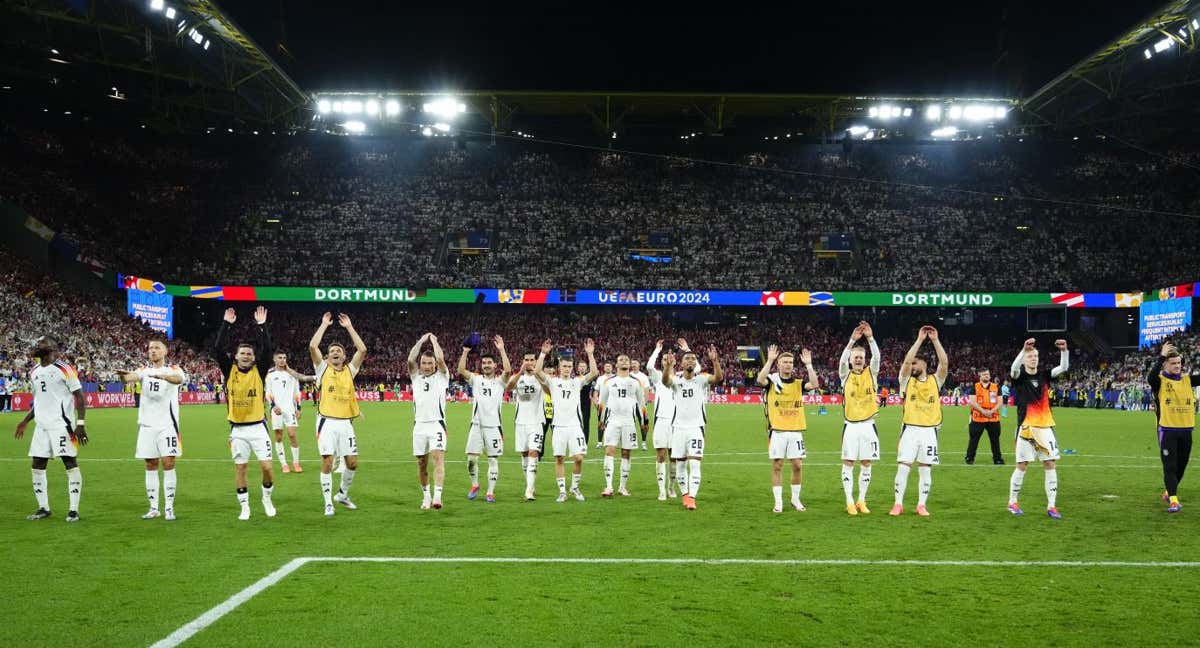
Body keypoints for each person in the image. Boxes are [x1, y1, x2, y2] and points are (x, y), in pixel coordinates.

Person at [211, 307, 278, 520]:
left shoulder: (260, 370)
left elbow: (268, 349)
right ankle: (245, 507)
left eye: (249, 353)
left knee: (267, 468)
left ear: (253, 357)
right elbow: (217, 348)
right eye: (243, 353)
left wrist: (262, 326)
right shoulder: (229, 370)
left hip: (258, 427)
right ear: (236, 356)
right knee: (241, 469)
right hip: (237, 429)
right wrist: (226, 324)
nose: (246, 356)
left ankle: (266, 498)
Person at [14, 338, 86, 522]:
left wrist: (80, 424)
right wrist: (25, 421)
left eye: (41, 343)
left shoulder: (65, 369)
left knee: (70, 463)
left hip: (62, 426)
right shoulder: (34, 371)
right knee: (37, 465)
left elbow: (79, 395)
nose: (36, 345)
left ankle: (73, 510)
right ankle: (44, 508)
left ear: (51, 348)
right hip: (42, 426)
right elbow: (38, 402)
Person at [117, 339, 185, 521]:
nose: (153, 351)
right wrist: (123, 375)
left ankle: (169, 508)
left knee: (169, 463)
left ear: (165, 352)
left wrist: (163, 376)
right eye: (150, 348)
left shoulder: (174, 369)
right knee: (150, 464)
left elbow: (179, 379)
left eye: (157, 348)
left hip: (168, 425)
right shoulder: (143, 371)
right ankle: (154, 508)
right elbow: (130, 377)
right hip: (147, 425)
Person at [310, 313, 367, 516]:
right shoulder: (322, 369)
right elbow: (313, 347)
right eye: (332, 351)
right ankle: (328, 503)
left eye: (339, 351)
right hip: (327, 422)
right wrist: (324, 324)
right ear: (328, 356)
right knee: (327, 460)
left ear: (344, 356)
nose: (335, 353)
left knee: (352, 463)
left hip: (346, 423)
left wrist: (350, 327)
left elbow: (362, 350)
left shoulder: (349, 371)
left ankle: (342, 494)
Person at [1007, 338, 1069, 519]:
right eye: (1030, 356)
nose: (1033, 358)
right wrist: (1023, 349)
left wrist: (1064, 351)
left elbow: (1063, 368)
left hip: (1045, 426)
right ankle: (1012, 502)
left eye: (1035, 356)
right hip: (1026, 426)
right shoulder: (1020, 377)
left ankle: (1052, 506)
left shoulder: (1044, 375)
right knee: (1022, 465)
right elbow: (1013, 369)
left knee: (1050, 464)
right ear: (1025, 359)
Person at [891, 326, 948, 517]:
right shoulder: (906, 381)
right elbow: (906, 362)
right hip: (910, 429)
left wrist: (935, 340)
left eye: (916, 363)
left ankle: (921, 505)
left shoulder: (935, 380)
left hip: (930, 431)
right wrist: (919, 340)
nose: (911, 366)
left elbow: (944, 363)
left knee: (925, 468)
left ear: (924, 364)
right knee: (903, 466)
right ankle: (898, 504)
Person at [661, 344, 723, 510]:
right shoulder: (676, 381)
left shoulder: (702, 379)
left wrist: (715, 361)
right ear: (681, 364)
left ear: (696, 364)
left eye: (693, 359)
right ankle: (685, 495)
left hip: (696, 428)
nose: (690, 361)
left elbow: (718, 378)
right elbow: (665, 381)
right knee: (680, 464)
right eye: (687, 358)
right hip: (678, 428)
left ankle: (692, 497)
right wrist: (667, 366)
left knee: (695, 463)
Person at [758, 344, 819, 513]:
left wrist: (808, 364)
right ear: (779, 364)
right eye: (784, 362)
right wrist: (769, 360)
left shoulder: (799, 383)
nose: (788, 365)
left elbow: (814, 384)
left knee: (798, 466)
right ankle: (778, 502)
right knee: (777, 465)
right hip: (777, 430)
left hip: (795, 431)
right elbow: (759, 380)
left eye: (791, 362)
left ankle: (795, 499)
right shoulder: (772, 381)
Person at [536, 339, 598, 502]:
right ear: (559, 367)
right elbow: (537, 371)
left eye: (569, 366)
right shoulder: (553, 381)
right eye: (564, 366)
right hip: (559, 426)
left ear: (572, 368)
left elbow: (593, 373)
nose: (567, 369)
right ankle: (562, 491)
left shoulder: (576, 382)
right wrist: (543, 353)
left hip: (575, 426)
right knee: (559, 458)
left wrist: (590, 354)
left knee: (579, 458)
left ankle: (575, 488)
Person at [458, 336, 511, 503]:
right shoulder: (476, 379)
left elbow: (508, 371)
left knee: (492, 459)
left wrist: (502, 349)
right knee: (471, 460)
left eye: (489, 362)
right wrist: (465, 352)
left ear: (495, 365)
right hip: (476, 425)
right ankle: (475, 484)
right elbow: (461, 370)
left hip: (494, 427)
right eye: (484, 363)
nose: (486, 365)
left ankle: (490, 492)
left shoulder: (500, 382)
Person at [1148, 342, 1198, 513]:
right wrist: (1162, 355)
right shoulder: (1160, 381)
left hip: (1186, 430)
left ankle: (1169, 492)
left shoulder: (1187, 380)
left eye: (1179, 363)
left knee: (1181, 466)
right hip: (1167, 430)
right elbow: (1150, 377)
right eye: (1173, 363)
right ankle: (1174, 501)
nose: (1177, 366)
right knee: (1169, 466)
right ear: (1166, 364)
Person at [838, 322, 881, 516]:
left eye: (861, 357)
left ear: (865, 360)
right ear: (850, 359)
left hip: (869, 426)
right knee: (848, 462)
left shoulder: (871, 373)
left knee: (866, 463)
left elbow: (877, 357)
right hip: (851, 426)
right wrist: (852, 341)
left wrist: (870, 338)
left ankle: (861, 500)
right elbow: (841, 361)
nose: (857, 360)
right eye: (855, 357)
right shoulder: (844, 375)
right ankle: (849, 501)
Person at [408, 333, 449, 510]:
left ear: (434, 365)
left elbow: (440, 358)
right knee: (421, 463)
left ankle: (438, 496)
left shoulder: (442, 377)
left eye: (429, 363)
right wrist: (420, 341)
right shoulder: (415, 377)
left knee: (438, 458)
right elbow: (411, 359)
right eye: (424, 363)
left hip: (437, 424)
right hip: (419, 425)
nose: (426, 366)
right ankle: (426, 496)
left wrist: (434, 341)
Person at [597, 354, 647, 497]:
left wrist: (644, 421)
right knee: (609, 451)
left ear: (630, 364)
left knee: (626, 453)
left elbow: (641, 403)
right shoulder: (608, 381)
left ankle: (622, 487)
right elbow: (602, 402)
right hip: (612, 421)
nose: (624, 362)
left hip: (629, 422)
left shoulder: (636, 382)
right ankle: (608, 487)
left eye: (626, 360)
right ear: (616, 365)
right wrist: (601, 420)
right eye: (621, 360)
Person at [508, 349, 550, 501]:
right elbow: (508, 388)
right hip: (520, 422)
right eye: (527, 359)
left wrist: (538, 376)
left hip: (536, 422)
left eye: (532, 360)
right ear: (522, 361)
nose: (529, 362)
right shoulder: (518, 377)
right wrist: (519, 372)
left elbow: (549, 391)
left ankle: (529, 491)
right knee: (525, 454)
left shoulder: (541, 377)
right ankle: (530, 484)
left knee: (533, 453)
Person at [647, 340, 682, 500]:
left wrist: (687, 349)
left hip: (677, 422)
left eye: (670, 359)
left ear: (675, 361)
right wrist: (657, 350)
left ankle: (671, 487)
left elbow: (697, 369)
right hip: (661, 421)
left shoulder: (681, 377)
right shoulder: (658, 376)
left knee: (674, 457)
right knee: (661, 455)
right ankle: (661, 490)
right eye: (664, 359)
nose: (667, 361)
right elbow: (648, 366)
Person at [266, 352, 304, 474]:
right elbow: (268, 392)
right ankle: (284, 464)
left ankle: (296, 463)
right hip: (276, 410)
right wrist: (272, 406)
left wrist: (298, 408)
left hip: (290, 409)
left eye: (284, 358)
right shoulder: (270, 375)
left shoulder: (292, 374)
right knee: (278, 436)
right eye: (280, 358)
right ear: (274, 359)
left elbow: (297, 392)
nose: (282, 360)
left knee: (292, 435)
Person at [966, 369, 1004, 465]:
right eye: (984, 374)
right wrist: (984, 411)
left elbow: (1000, 402)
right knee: (974, 438)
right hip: (978, 416)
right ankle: (970, 458)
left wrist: (991, 411)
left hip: (993, 416)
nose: (986, 376)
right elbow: (972, 402)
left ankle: (997, 458)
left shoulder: (996, 387)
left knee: (995, 439)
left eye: (987, 374)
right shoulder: (975, 387)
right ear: (980, 376)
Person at [630, 359, 651, 450]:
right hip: (630, 403)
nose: (633, 365)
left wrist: (645, 401)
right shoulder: (628, 375)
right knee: (630, 423)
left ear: (639, 365)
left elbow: (647, 389)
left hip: (641, 403)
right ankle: (631, 442)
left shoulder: (643, 376)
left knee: (643, 422)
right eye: (632, 363)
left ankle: (643, 443)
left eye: (635, 363)